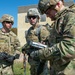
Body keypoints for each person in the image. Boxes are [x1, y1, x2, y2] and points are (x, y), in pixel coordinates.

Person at [30, 0, 75, 75]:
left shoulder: (71, 17)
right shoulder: (58, 21)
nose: (47, 16)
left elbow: (70, 47)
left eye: (47, 12)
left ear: (58, 4)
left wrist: (41, 53)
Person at [22, 8, 50, 75]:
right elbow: (28, 43)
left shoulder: (42, 29)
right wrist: (25, 48)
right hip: (32, 62)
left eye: (33, 17)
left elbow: (46, 47)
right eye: (29, 17)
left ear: (38, 18)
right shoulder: (29, 30)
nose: (31, 19)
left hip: (40, 62)